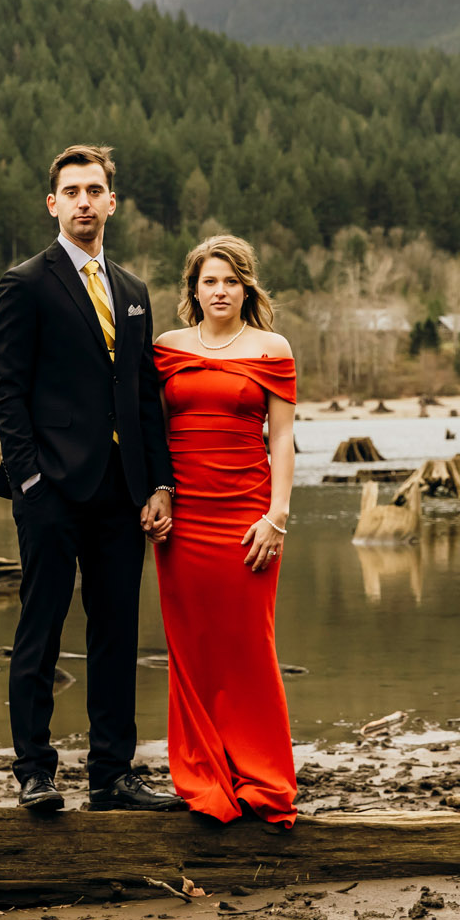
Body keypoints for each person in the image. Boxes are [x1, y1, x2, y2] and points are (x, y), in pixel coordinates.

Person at [0, 144, 183, 813]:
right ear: (52, 203)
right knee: (40, 628)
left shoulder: (131, 292)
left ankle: (111, 775)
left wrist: (160, 483)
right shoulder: (26, 283)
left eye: (94, 190)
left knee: (115, 635)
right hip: (50, 490)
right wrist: (30, 484)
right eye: (70, 191)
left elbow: (142, 395)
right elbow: (6, 396)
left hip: (121, 492)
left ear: (111, 202)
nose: (83, 201)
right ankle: (34, 772)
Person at [150, 234, 298, 827]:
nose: (220, 290)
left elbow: (282, 439)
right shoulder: (166, 348)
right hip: (183, 522)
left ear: (246, 288)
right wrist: (155, 496)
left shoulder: (271, 348)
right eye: (209, 281)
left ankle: (261, 778)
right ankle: (205, 774)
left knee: (249, 648)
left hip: (248, 517)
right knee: (192, 650)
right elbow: (152, 433)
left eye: (231, 281)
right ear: (193, 288)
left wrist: (278, 517)